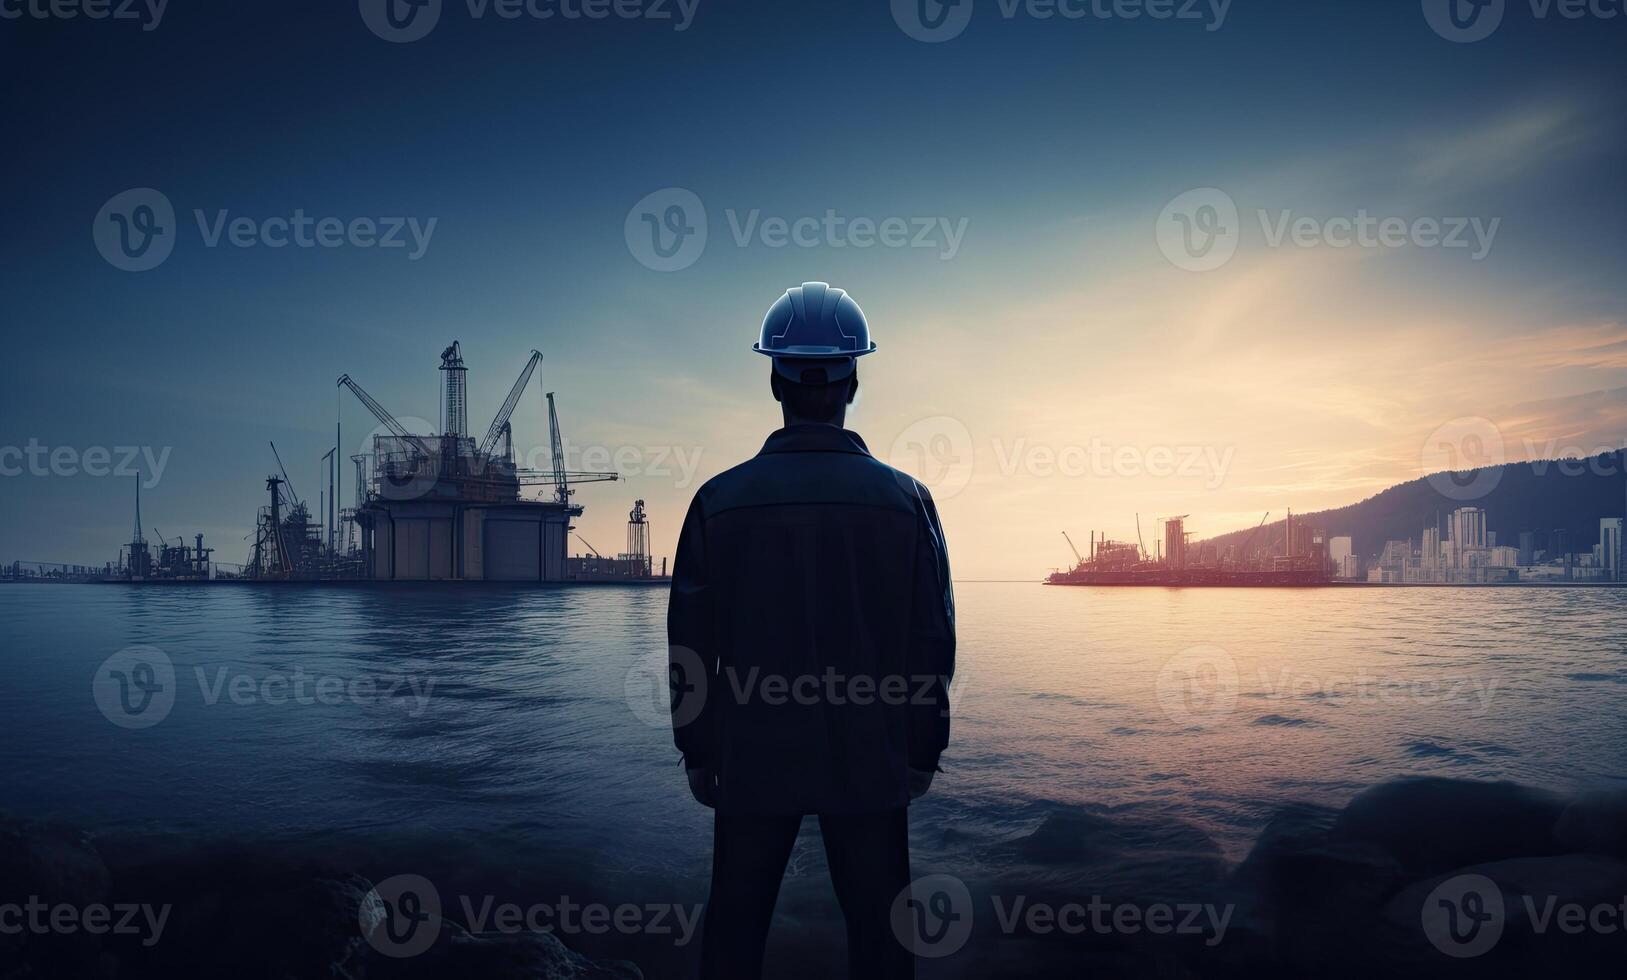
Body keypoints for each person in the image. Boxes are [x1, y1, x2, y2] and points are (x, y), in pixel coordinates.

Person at [667, 282, 956, 979]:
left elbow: (690, 645)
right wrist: (922, 747)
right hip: (869, 753)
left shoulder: (718, 500)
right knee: (882, 933)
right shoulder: (906, 500)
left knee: (735, 925)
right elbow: (930, 641)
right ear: (853, 381)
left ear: (775, 381)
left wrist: (697, 749)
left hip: (751, 754)